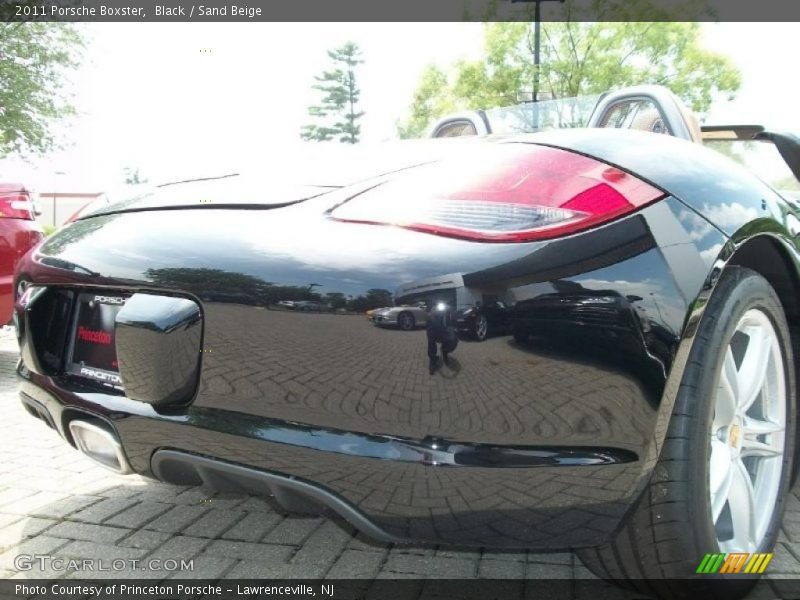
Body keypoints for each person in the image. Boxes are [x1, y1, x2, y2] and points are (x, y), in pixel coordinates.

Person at [426, 301, 457, 374]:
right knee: (431, 336)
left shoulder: (448, 314)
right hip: (435, 334)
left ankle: (444, 351)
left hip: (445, 334)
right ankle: (433, 359)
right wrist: (432, 314)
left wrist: (450, 311)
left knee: (454, 340)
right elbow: (428, 319)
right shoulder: (433, 314)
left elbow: (455, 323)